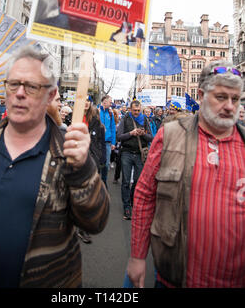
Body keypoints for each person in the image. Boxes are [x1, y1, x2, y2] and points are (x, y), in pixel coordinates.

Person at [0, 45, 109, 288]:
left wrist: (83, 169)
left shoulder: (68, 153)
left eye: (31, 86)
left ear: (51, 95)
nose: (19, 93)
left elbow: (95, 221)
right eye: (13, 84)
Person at [127, 61, 245, 288]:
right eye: (221, 97)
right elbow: (144, 196)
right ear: (200, 95)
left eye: (236, 99)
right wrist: (137, 255)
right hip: (175, 277)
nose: (230, 106)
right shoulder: (170, 135)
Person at [117, 100, 152, 220]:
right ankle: (126, 206)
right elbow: (119, 137)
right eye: (134, 110)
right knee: (126, 181)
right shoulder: (125, 119)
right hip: (126, 152)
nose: (136, 113)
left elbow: (150, 137)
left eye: (138, 110)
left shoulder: (145, 120)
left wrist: (142, 134)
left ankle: (132, 200)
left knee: (137, 181)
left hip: (139, 154)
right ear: (130, 109)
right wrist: (131, 133)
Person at [77, 96, 106, 244]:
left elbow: (100, 140)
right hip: (75, 158)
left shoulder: (95, 120)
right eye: (84, 100)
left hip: (91, 159)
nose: (86, 103)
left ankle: (84, 228)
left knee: (88, 194)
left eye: (88, 101)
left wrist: (101, 157)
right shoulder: (73, 117)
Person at [99, 95, 116, 187]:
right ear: (104, 102)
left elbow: (113, 128)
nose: (111, 103)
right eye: (110, 102)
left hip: (107, 143)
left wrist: (113, 142)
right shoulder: (96, 111)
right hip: (97, 143)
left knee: (106, 165)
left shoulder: (110, 113)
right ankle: (96, 184)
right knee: (96, 163)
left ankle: (104, 182)